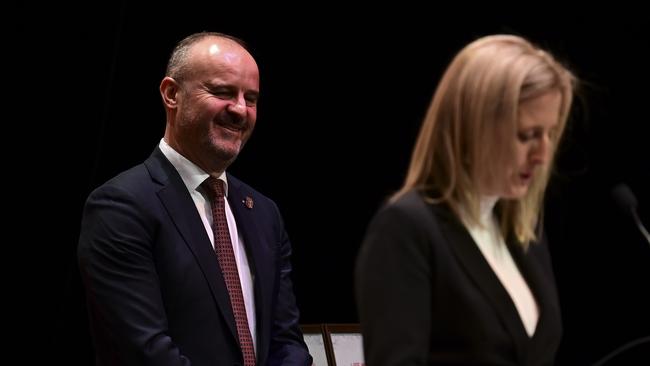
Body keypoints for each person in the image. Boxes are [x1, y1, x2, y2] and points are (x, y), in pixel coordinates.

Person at [78, 32, 312, 366]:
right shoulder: (121, 207)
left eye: (252, 98)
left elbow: (286, 341)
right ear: (172, 94)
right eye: (222, 92)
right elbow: (146, 352)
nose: (240, 110)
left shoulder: (265, 213)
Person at [355, 34, 576, 366]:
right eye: (527, 135)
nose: (543, 155)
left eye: (550, 133)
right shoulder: (405, 229)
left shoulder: (522, 226)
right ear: (474, 126)